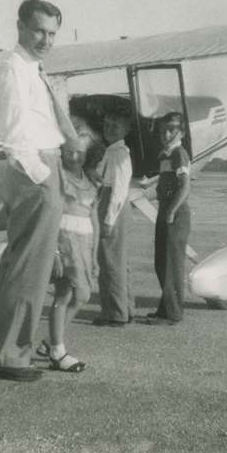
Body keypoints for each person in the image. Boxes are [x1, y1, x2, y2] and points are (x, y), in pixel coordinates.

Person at [0, 0, 79, 381]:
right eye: (38, 30)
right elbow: (15, 136)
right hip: (34, 169)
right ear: (19, 26)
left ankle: (0, 352)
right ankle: (12, 356)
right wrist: (44, 181)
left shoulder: (33, 69)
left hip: (44, 164)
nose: (45, 39)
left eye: (52, 33)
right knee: (29, 270)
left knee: (23, 266)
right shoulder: (14, 71)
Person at [36, 137, 98, 372]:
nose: (74, 156)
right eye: (69, 151)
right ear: (62, 152)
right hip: (65, 239)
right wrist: (54, 251)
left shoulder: (90, 179)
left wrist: (95, 257)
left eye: (79, 152)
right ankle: (57, 352)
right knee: (66, 294)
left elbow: (93, 218)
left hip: (85, 241)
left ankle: (50, 342)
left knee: (82, 295)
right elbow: (51, 212)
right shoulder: (59, 177)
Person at [146, 111, 191, 325]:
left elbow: (185, 187)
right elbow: (162, 185)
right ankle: (165, 309)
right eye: (163, 129)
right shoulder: (165, 155)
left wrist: (172, 211)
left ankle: (173, 314)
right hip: (165, 209)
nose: (166, 133)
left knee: (171, 263)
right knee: (161, 262)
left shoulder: (178, 154)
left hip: (175, 212)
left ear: (180, 131)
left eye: (172, 129)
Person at [93, 110, 134, 326]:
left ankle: (115, 314)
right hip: (112, 203)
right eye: (107, 124)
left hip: (113, 206)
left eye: (115, 125)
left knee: (110, 261)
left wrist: (108, 220)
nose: (109, 129)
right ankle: (126, 308)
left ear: (126, 129)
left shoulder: (118, 154)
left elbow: (117, 191)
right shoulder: (113, 151)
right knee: (118, 260)